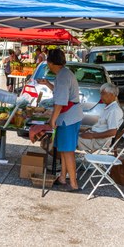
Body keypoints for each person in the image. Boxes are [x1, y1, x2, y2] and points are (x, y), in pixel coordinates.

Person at [36, 49, 83, 192]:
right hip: (71, 116)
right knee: (63, 149)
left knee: (68, 151)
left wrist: (52, 120)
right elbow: (59, 92)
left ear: (50, 63)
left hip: (68, 118)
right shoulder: (64, 73)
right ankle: (63, 177)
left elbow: (60, 102)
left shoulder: (62, 77)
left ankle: (74, 184)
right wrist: (48, 84)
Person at [78, 83, 123, 152]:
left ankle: (63, 161)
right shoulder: (109, 108)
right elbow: (102, 126)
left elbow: (112, 132)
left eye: (103, 94)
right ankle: (63, 160)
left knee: (67, 140)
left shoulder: (114, 110)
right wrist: (90, 130)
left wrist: (92, 135)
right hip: (95, 138)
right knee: (69, 137)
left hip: (98, 142)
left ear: (111, 95)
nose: (101, 96)